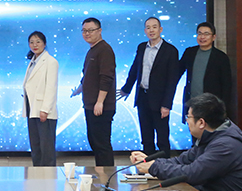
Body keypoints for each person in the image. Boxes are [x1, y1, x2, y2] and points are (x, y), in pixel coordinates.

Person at [129, 93, 242, 191]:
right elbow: (181, 161)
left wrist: (153, 167)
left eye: (188, 117)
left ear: (201, 122)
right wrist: (151, 162)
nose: (187, 121)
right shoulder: (211, 137)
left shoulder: (225, 145)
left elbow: (192, 173)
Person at [117, 17, 179, 153]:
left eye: (154, 27)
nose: (151, 30)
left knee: (162, 138)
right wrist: (126, 89)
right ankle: (148, 164)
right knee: (146, 138)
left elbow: (172, 81)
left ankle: (164, 165)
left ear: (160, 29)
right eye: (148, 27)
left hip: (160, 100)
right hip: (142, 98)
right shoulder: (141, 47)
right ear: (145, 30)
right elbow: (135, 69)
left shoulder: (170, 50)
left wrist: (167, 104)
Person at [71, 18, 116, 166]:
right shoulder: (93, 50)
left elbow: (106, 78)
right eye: (84, 31)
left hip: (101, 107)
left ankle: (107, 176)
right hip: (91, 105)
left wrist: (100, 101)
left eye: (91, 30)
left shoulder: (105, 50)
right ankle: (102, 174)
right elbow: (87, 76)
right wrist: (79, 90)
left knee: (102, 144)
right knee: (95, 143)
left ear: (99, 31)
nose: (87, 33)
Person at [179, 21, 233, 122]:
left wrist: (223, 109)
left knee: (210, 131)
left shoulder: (221, 57)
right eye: (199, 33)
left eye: (206, 34)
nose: (202, 37)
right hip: (192, 105)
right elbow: (177, 72)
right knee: (194, 130)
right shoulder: (190, 52)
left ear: (213, 37)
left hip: (211, 106)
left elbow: (227, 85)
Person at [22, 31, 59, 166]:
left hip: (44, 111)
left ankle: (48, 176)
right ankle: (37, 174)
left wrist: (45, 109)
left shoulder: (51, 62)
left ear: (44, 43)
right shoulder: (33, 61)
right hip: (32, 108)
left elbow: (51, 87)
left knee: (46, 148)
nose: (35, 45)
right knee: (36, 146)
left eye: (38, 42)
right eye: (31, 42)